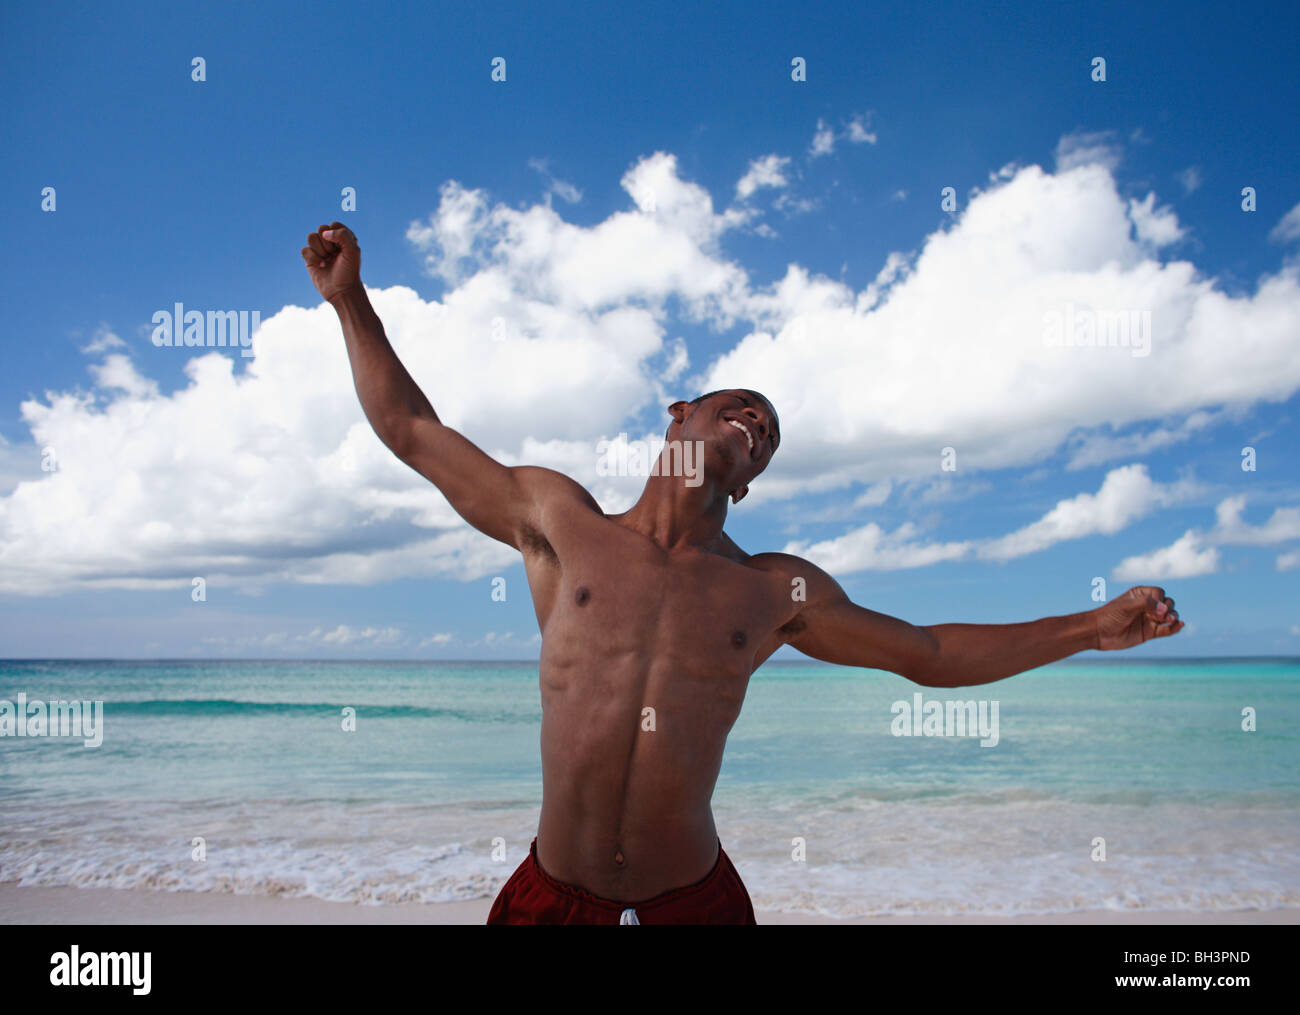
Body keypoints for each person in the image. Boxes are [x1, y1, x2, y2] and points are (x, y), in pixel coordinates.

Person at [301, 221, 1185, 924]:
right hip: (552, 897)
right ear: (680, 414)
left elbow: (928, 652)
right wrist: (352, 304)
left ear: (752, 482)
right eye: (741, 403)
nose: (758, 417)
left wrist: (1088, 627)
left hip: (696, 903)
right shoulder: (558, 521)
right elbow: (410, 430)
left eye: (767, 428)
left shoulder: (772, 589)